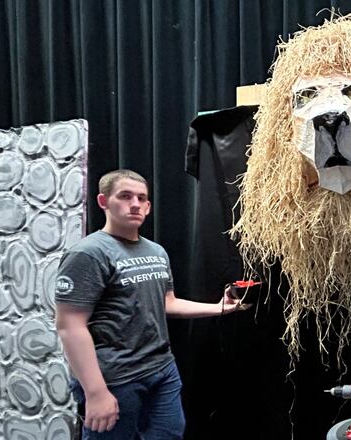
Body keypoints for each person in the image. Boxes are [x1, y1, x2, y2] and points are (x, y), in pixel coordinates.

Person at [55, 169, 249, 439]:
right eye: (125, 196)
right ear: (104, 201)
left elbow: (167, 303)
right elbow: (70, 326)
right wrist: (96, 392)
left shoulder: (155, 251)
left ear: (148, 206)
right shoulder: (88, 253)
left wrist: (220, 308)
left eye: (141, 198)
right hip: (115, 378)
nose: (134, 203)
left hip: (161, 370)